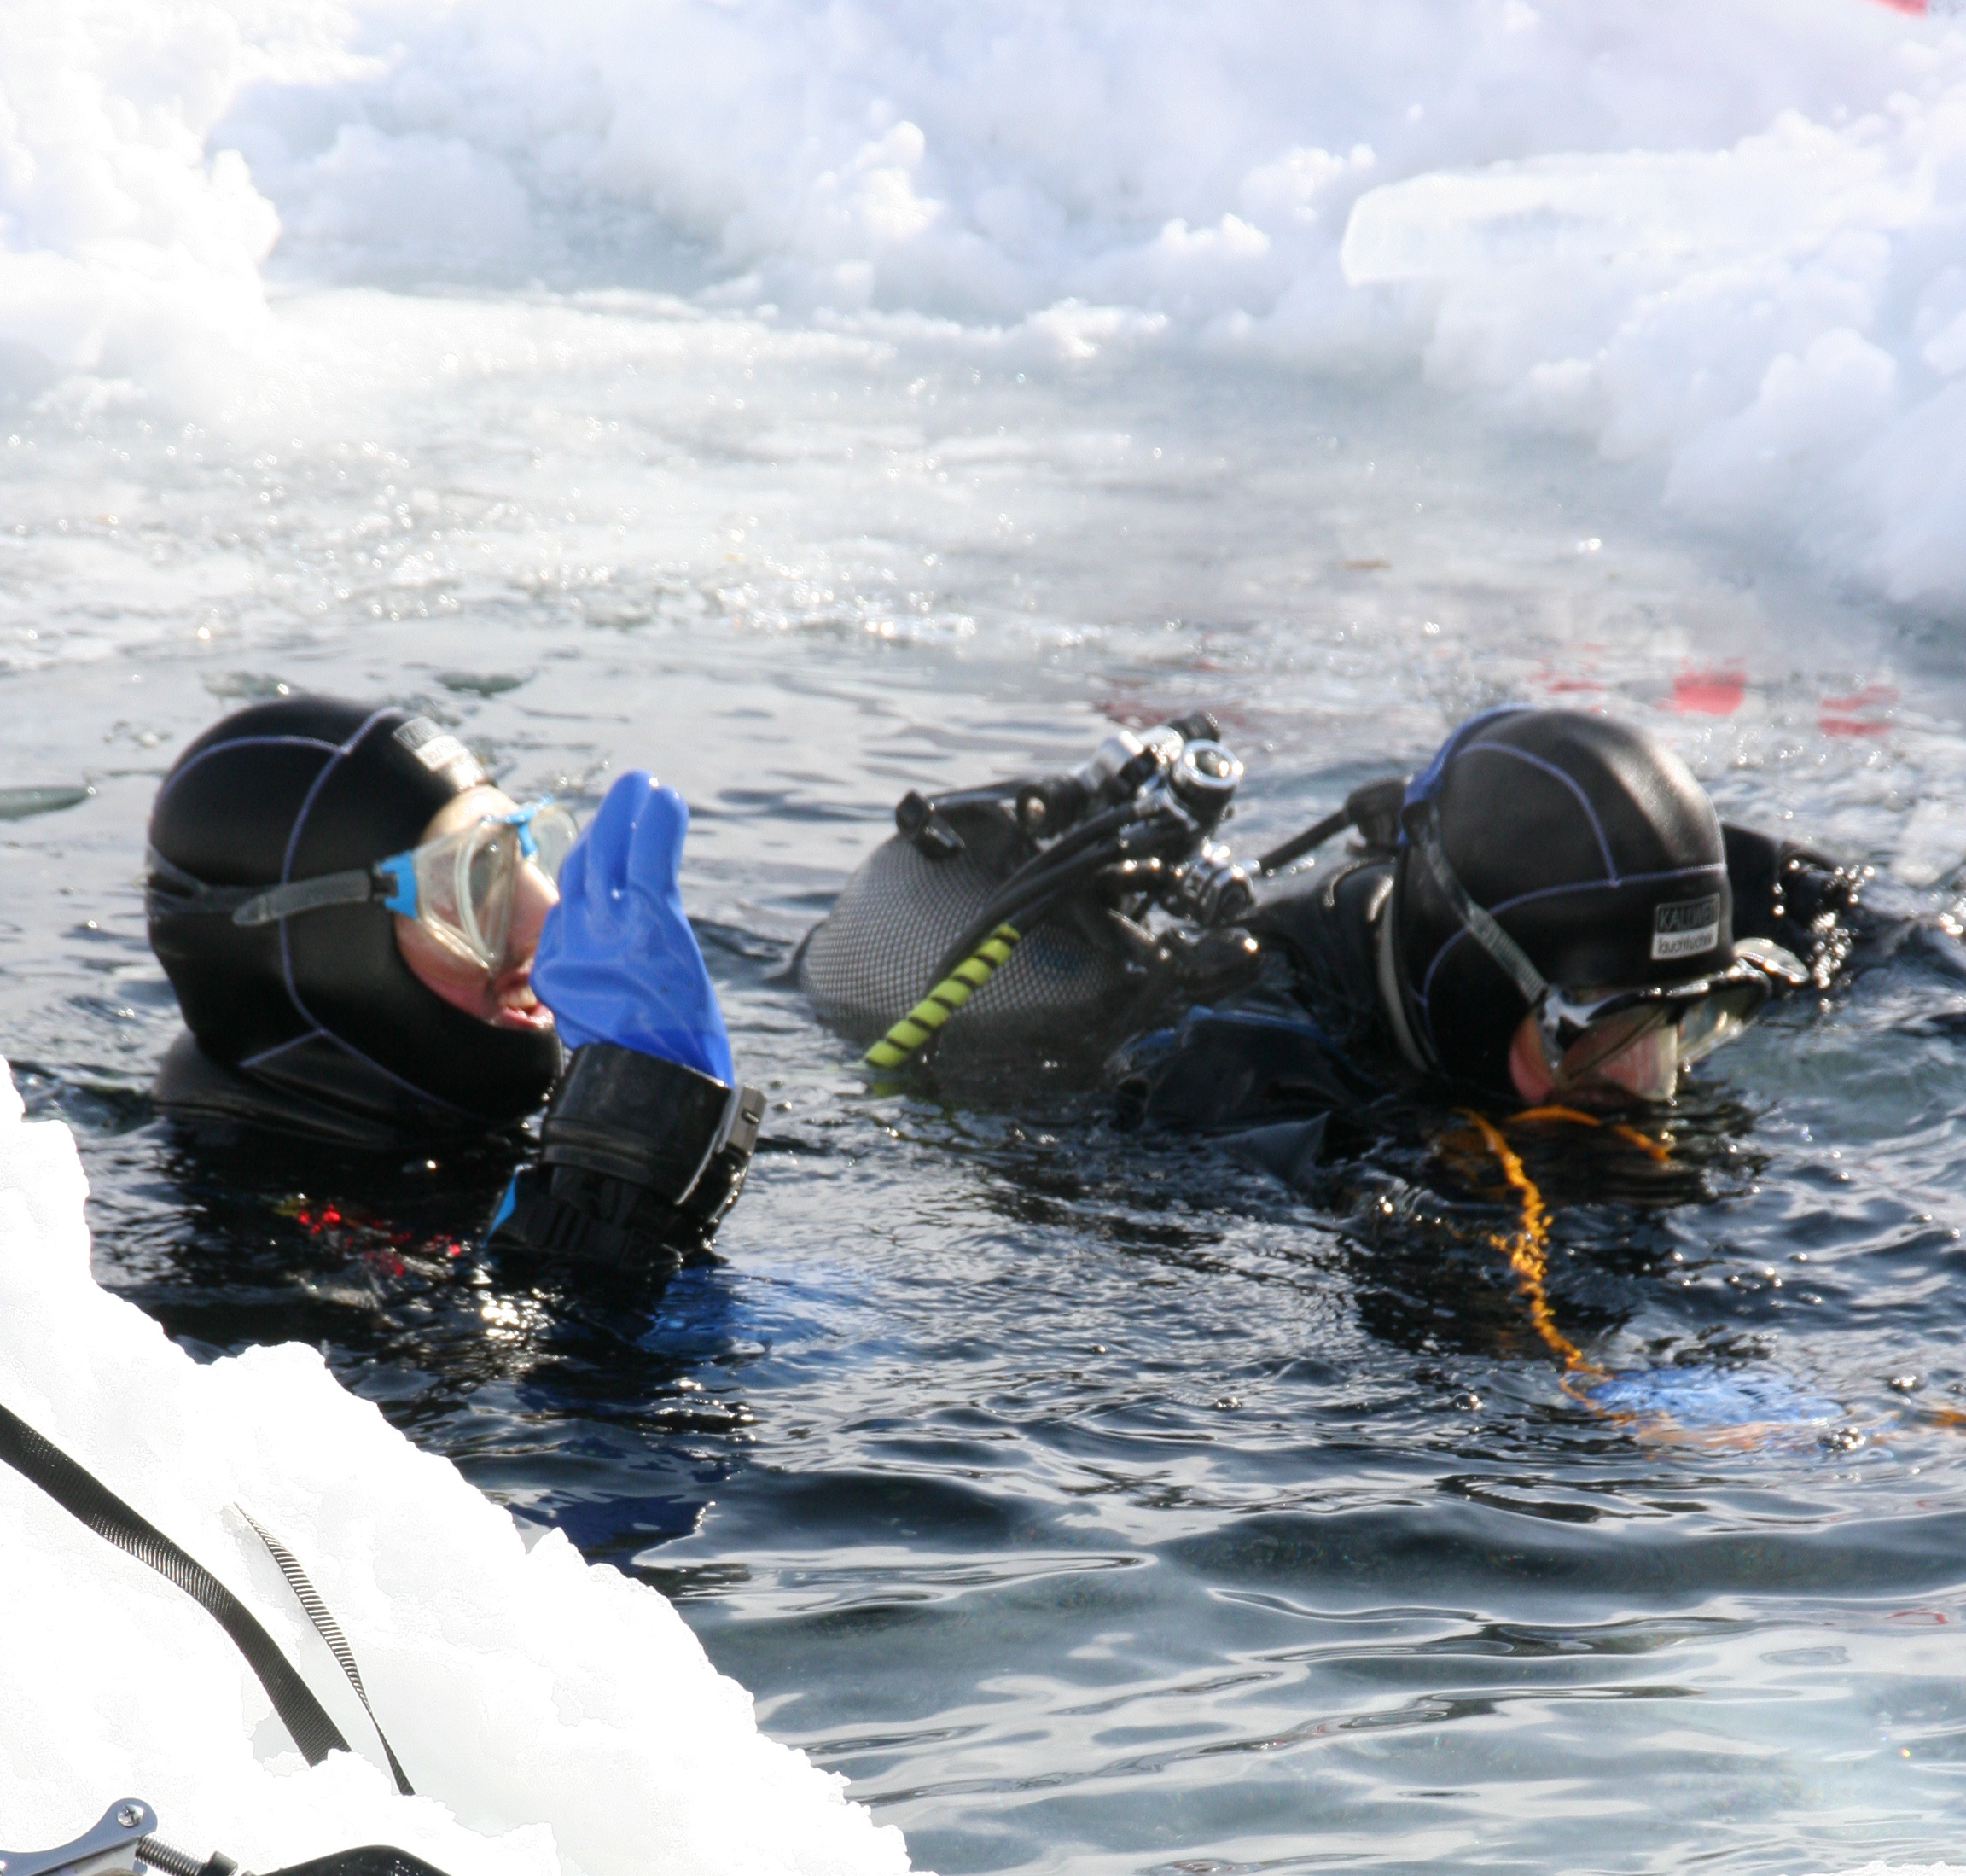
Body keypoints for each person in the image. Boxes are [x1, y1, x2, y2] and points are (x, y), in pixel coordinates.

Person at [799, 703, 1870, 1180]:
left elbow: (1815, 910)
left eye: (1687, 1024)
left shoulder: (1628, 939)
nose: (1649, 1086)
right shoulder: (1243, 1065)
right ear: (1475, 993)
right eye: (1597, 1038)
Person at [143, 695, 762, 1275]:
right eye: (469, 888)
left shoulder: (460, 1139)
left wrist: (664, 1117)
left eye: (528, 852)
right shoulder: (265, 1254)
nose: (547, 917)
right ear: (327, 951)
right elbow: (581, 1378)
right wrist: (632, 1173)